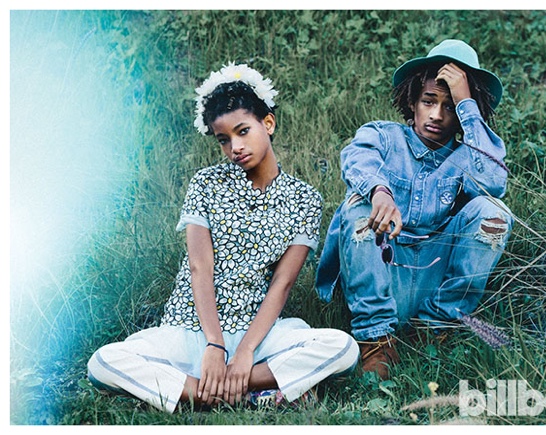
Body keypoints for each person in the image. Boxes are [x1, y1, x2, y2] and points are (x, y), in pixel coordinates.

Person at [87, 63, 359, 413]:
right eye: (224, 139)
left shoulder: (304, 198)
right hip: (191, 330)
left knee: (343, 349)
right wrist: (213, 346)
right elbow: (200, 268)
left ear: (268, 124)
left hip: (258, 335)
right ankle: (214, 392)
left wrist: (245, 352)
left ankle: (232, 385)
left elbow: (282, 284)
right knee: (103, 363)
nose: (235, 147)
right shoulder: (206, 183)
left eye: (243, 131)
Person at [315, 39, 513, 380]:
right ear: (412, 101)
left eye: (450, 106)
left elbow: (494, 180)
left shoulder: (468, 156)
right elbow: (356, 158)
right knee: (355, 209)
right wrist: (380, 192)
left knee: (493, 212)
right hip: (383, 272)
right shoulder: (384, 136)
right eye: (429, 101)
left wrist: (468, 102)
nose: (437, 115)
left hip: (434, 277)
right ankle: (377, 340)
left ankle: (436, 327)